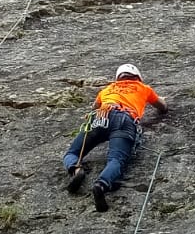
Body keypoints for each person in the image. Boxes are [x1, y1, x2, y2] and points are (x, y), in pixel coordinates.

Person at [62, 64, 169, 211]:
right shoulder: (144, 88)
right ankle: (101, 184)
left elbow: (94, 107)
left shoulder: (107, 89)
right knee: (116, 159)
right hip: (124, 118)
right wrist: (161, 100)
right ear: (138, 77)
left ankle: (76, 170)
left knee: (72, 153)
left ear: (118, 78)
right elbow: (162, 107)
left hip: (100, 116)